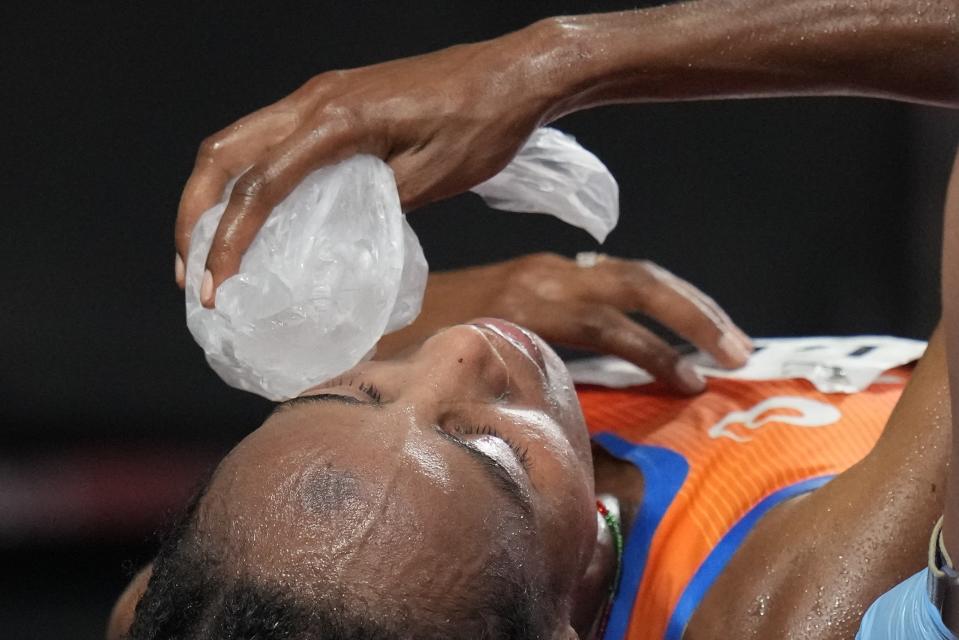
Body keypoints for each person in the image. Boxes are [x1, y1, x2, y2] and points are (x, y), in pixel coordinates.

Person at [117, 0, 959, 637]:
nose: (458, 349)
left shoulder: (244, 595)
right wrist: (558, 60)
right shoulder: (804, 608)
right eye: (489, 448)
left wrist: (492, 290)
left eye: (349, 395)